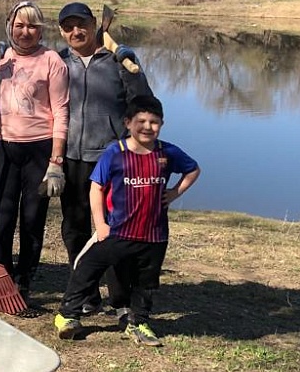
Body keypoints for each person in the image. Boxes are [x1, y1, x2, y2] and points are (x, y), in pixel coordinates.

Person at [54, 95, 200, 346]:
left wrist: (174, 193)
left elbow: (193, 169)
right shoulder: (115, 152)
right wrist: (100, 224)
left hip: (154, 235)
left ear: (162, 124)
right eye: (141, 121)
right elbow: (96, 187)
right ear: (128, 122)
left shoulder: (168, 152)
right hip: (118, 230)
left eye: (154, 122)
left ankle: (139, 322)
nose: (147, 127)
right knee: (87, 268)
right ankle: (68, 316)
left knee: (146, 282)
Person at [57, 1, 154, 313]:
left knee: (114, 230)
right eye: (68, 26)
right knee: (74, 229)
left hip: (109, 160)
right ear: (61, 31)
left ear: (93, 25)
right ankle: (86, 294)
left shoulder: (116, 61)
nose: (76, 31)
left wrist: (132, 66)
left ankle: (121, 299)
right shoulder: (58, 62)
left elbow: (144, 103)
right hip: (72, 158)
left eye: (81, 24)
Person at [0, 1, 69, 309]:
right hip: (4, 146)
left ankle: (24, 280)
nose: (25, 32)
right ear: (9, 26)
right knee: (1, 217)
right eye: (19, 25)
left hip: (39, 148)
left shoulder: (52, 60)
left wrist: (56, 161)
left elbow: (61, 111)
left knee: (32, 218)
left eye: (32, 26)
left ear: (40, 30)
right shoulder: (1, 59)